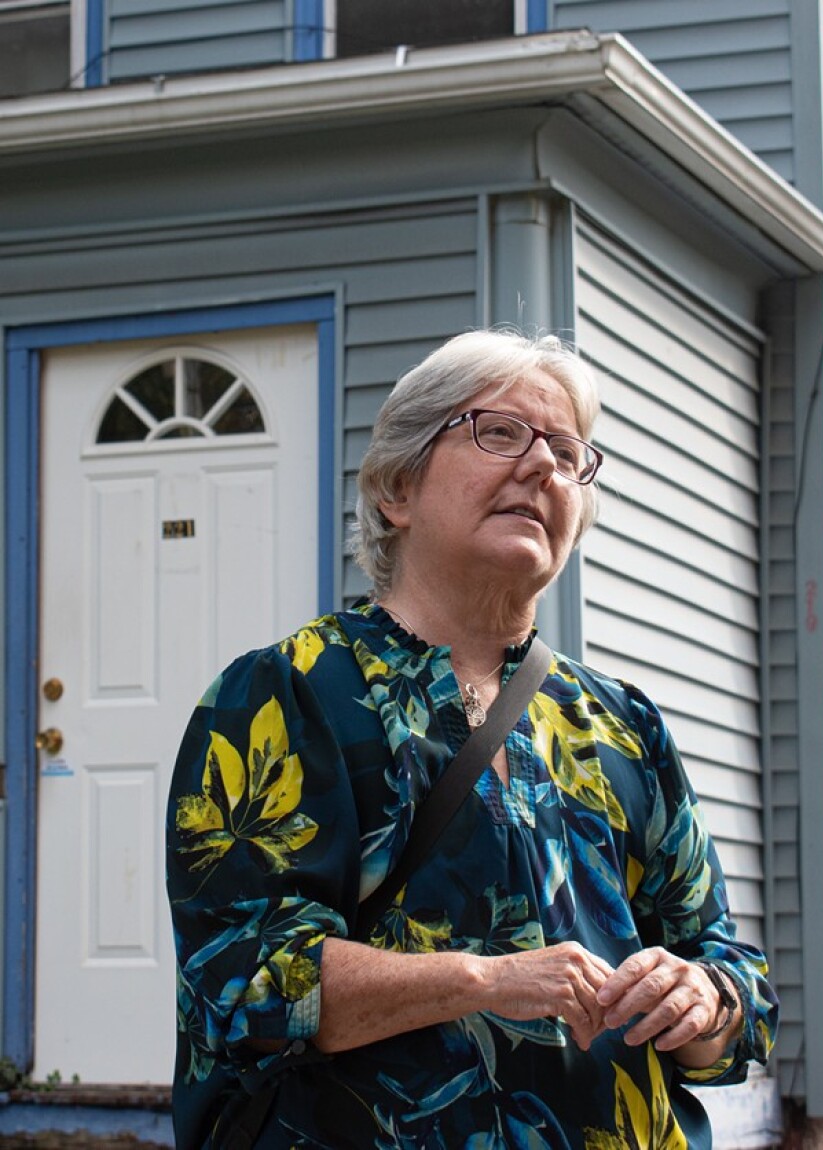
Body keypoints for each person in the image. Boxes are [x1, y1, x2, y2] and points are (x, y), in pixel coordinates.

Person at [166, 328, 778, 1149]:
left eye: (567, 453)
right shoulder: (289, 695)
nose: (542, 467)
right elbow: (238, 978)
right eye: (499, 433)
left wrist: (702, 999)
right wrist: (483, 980)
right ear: (396, 487)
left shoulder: (623, 725)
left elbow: (734, 983)